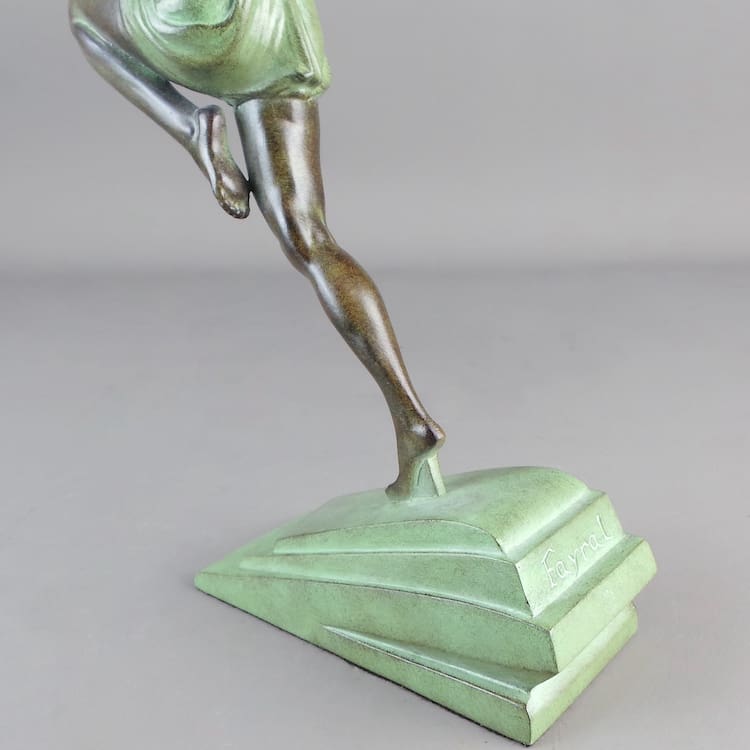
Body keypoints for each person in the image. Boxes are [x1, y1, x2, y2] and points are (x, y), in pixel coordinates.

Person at [69, 0, 446, 498]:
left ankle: (190, 127)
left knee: (83, 16)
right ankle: (410, 417)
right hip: (276, 44)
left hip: (195, 25)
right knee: (310, 239)